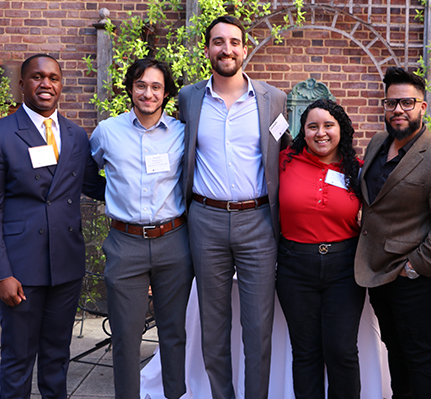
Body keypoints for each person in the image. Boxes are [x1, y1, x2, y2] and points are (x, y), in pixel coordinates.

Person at [0, 54, 106, 398]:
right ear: (22, 84)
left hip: (66, 264)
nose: (46, 84)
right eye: (37, 77)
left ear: (62, 85)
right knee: (18, 357)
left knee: (57, 355)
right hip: (20, 268)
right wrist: (0, 274)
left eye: (54, 78)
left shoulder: (77, 136)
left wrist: (147, 190)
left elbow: (95, 186)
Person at [178, 15, 290, 399]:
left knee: (259, 325)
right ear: (207, 48)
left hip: (258, 221)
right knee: (213, 322)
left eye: (234, 42)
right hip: (205, 220)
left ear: (245, 48)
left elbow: (286, 153)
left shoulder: (273, 98)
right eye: (218, 42)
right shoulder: (189, 98)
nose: (226, 49)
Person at [354, 66, 431, 399]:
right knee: (394, 350)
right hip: (374, 270)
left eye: (406, 102)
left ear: (423, 107)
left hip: (412, 277)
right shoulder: (377, 143)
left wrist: (414, 266)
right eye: (391, 103)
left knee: (417, 356)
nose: (398, 110)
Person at [89, 58, 193, 399]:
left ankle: (175, 395)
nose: (148, 93)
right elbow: (88, 174)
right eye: (141, 85)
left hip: (173, 242)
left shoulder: (181, 133)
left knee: (174, 333)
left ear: (166, 94)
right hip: (125, 243)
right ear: (130, 89)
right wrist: (115, 197)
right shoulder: (107, 132)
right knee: (126, 335)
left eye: (156, 87)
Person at [276, 99, 366, 399]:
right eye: (312, 126)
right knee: (305, 352)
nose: (321, 133)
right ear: (303, 131)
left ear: (342, 129)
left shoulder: (358, 170)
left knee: (341, 350)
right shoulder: (285, 161)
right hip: (294, 267)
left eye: (329, 125)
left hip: (344, 268)